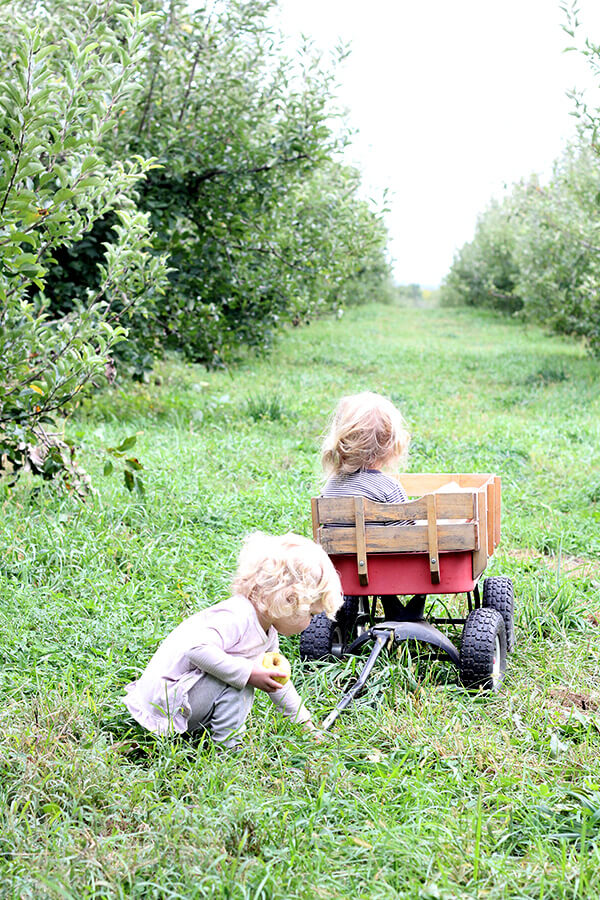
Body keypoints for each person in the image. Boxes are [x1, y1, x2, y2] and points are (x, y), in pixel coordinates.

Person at [123, 532, 343, 749]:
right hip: (165, 703)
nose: (311, 623)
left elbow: (278, 682)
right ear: (289, 600)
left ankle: (215, 732)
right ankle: (228, 749)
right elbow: (195, 649)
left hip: (183, 697)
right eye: (311, 615)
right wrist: (248, 673)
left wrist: (304, 723)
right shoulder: (238, 616)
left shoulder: (267, 631)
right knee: (243, 680)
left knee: (245, 675)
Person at [321, 391, 421, 620]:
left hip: (346, 572)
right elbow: (411, 537)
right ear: (390, 446)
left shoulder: (330, 487)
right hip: (393, 573)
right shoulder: (389, 489)